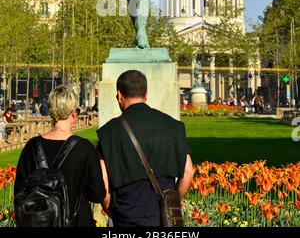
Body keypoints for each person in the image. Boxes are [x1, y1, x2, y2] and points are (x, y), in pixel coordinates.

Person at [96, 70, 194, 227]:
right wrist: (171, 203)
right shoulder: (173, 126)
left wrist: (111, 210)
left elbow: (103, 183)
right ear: (146, 95)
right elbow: (188, 172)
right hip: (163, 219)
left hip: (126, 214)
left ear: (119, 96)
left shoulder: (108, 132)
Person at [14, 85, 106, 227]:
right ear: (73, 113)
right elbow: (98, 195)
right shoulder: (85, 148)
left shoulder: (31, 147)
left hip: (39, 221)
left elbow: (19, 192)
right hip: (77, 221)